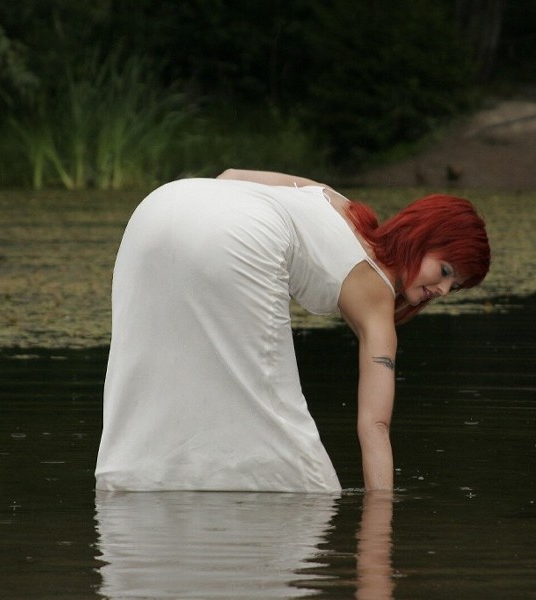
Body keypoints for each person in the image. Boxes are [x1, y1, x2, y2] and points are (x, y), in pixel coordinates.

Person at [94, 169, 491, 493]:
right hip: (243, 231)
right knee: (309, 483)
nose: (440, 290)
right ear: (422, 236)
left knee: (161, 368)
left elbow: (230, 175)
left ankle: (137, 495)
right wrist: (381, 510)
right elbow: (375, 425)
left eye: (453, 287)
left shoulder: (337, 201)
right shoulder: (378, 304)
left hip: (163, 206)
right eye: (445, 271)